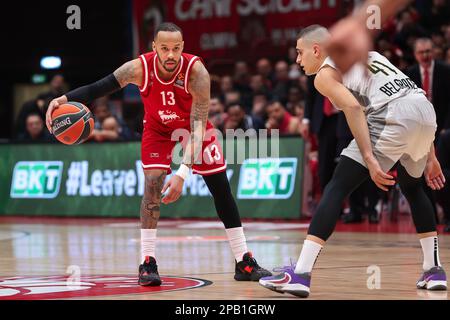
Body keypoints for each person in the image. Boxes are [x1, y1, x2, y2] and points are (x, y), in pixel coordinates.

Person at [45, 23, 271, 287]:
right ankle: (147, 262)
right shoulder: (138, 68)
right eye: (164, 48)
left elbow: (198, 129)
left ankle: (243, 260)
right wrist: (63, 99)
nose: (171, 54)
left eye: (176, 48)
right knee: (152, 185)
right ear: (155, 47)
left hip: (192, 129)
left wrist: (182, 173)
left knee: (220, 187)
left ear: (183, 47)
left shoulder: (197, 72)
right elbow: (99, 87)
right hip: (157, 130)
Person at [259, 25, 447, 298]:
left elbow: (353, 107)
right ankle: (434, 269)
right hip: (425, 114)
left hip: (392, 117)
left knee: (337, 186)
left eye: (300, 53)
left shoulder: (323, 75)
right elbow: (411, 95)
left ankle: (300, 273)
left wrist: (370, 158)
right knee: (413, 187)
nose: (298, 61)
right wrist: (431, 155)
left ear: (316, 49)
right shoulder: (368, 54)